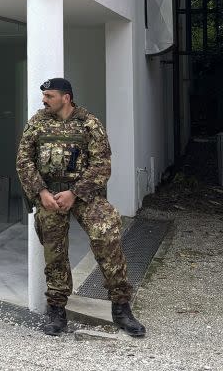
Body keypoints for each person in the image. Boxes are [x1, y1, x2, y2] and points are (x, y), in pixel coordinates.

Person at [16, 78, 146, 337]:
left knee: (107, 235)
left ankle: (121, 307)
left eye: (50, 96)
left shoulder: (89, 123)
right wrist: (41, 191)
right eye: (44, 96)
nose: (44, 100)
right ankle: (57, 309)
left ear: (66, 97)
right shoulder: (38, 122)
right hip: (49, 194)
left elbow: (102, 165)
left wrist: (74, 193)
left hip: (84, 194)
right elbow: (23, 160)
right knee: (54, 250)